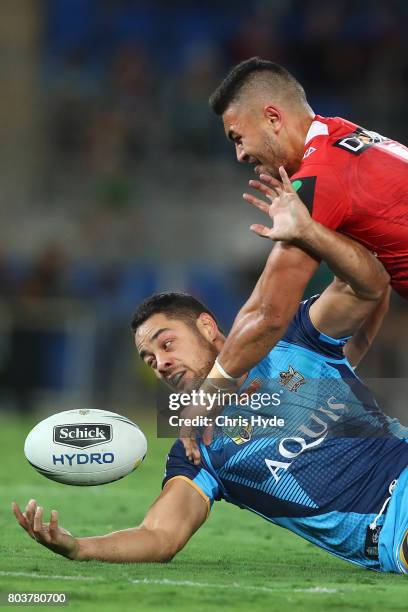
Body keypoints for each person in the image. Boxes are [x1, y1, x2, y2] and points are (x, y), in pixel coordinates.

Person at [12, 184, 408, 574]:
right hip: (393, 528)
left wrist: (309, 230)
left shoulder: (292, 338)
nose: (160, 364)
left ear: (206, 326)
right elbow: (159, 535)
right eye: (149, 359)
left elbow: (368, 283)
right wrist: (78, 547)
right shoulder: (194, 447)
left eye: (166, 344)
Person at [203, 56, 408, 389]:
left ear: (272, 118)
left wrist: (206, 395)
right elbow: (374, 280)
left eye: (237, 138)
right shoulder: (341, 136)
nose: (240, 155)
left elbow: (267, 314)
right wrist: (343, 369)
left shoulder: (319, 178)